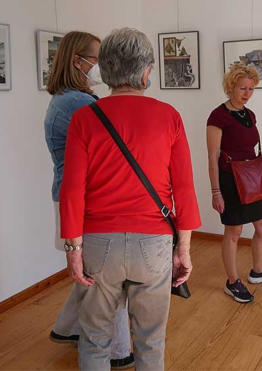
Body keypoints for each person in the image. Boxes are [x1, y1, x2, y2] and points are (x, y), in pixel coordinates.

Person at [59, 27, 201, 371]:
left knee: (94, 341)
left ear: (105, 70)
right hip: (153, 245)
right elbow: (183, 189)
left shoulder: (84, 118)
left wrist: (73, 251)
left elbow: (72, 190)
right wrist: (183, 249)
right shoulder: (169, 117)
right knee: (151, 343)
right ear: (145, 71)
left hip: (97, 244)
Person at [43, 31, 134, 369]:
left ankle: (67, 329)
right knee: (112, 277)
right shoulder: (78, 103)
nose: (101, 65)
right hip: (82, 200)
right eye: (97, 58)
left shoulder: (66, 98)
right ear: (77, 61)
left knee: (92, 273)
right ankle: (118, 351)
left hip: (71, 196)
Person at [206, 64, 262, 304]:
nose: (247, 93)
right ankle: (232, 282)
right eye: (243, 88)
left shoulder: (249, 115)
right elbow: (212, 156)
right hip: (230, 180)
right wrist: (216, 192)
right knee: (234, 232)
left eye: (251, 88)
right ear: (231, 86)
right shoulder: (218, 116)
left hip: (252, 177)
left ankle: (258, 272)